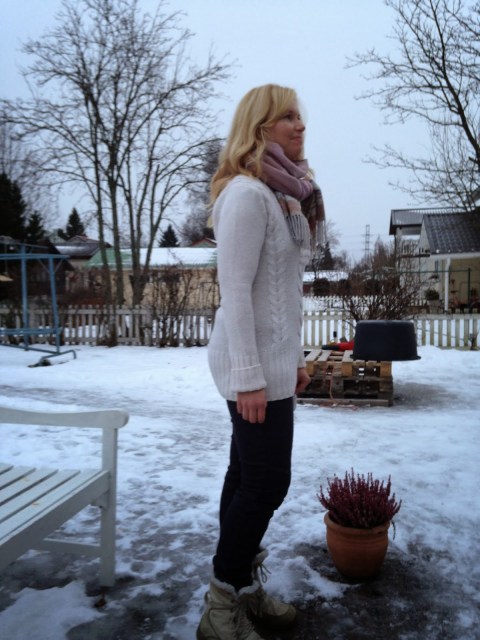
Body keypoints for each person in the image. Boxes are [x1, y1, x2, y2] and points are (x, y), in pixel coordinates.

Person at [197, 83, 325, 640]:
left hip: (270, 365)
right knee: (267, 484)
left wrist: (291, 359)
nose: (300, 126)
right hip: (249, 368)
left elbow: (283, 292)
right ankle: (222, 602)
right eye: (287, 117)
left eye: (300, 116)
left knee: (247, 476)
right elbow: (236, 291)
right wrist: (250, 376)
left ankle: (242, 587)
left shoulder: (282, 197)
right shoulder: (248, 196)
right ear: (259, 128)